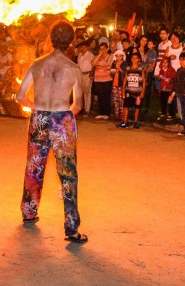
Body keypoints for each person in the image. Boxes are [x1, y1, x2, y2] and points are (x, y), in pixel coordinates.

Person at [16, 20, 87, 244]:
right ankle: (72, 228)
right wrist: (63, 117)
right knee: (67, 173)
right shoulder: (73, 69)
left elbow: (20, 96)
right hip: (61, 119)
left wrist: (36, 108)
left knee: (34, 166)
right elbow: (78, 105)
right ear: (71, 42)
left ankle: (29, 212)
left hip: (40, 117)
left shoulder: (37, 64)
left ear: (50, 39)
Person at [118, 52, 146, 129]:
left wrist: (143, 92)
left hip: (138, 92)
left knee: (137, 107)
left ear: (139, 59)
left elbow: (144, 81)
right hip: (129, 92)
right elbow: (125, 81)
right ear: (131, 59)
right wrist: (123, 91)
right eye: (133, 58)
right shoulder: (128, 69)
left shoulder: (141, 69)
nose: (134, 60)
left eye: (136, 58)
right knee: (126, 106)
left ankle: (136, 122)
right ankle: (125, 121)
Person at [91, 42, 113, 120]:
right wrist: (99, 55)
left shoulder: (110, 57)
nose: (102, 50)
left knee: (106, 96)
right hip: (98, 79)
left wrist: (101, 67)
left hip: (107, 79)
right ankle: (101, 113)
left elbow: (110, 66)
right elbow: (93, 63)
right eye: (100, 49)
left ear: (107, 49)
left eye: (103, 49)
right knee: (100, 96)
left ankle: (107, 113)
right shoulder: (98, 57)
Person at [76, 41, 95, 116]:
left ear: (84, 47)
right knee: (80, 92)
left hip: (87, 74)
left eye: (80, 47)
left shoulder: (90, 55)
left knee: (87, 92)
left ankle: (87, 109)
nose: (79, 49)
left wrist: (91, 74)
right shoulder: (80, 55)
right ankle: (81, 108)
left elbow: (94, 65)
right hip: (80, 74)